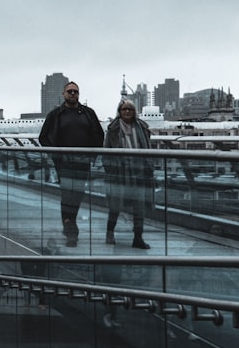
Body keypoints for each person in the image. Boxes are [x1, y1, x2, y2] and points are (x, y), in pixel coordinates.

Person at [38, 81, 105, 247]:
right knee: (68, 194)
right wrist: (55, 155)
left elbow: (99, 134)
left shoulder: (89, 113)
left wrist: (93, 155)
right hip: (64, 163)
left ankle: (69, 222)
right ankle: (71, 230)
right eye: (70, 91)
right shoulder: (55, 114)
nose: (73, 94)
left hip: (83, 162)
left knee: (78, 194)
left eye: (75, 91)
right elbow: (43, 137)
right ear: (63, 94)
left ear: (79, 94)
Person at [104, 100, 155, 249]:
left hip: (139, 170)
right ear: (119, 112)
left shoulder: (142, 127)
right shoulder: (112, 129)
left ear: (134, 112)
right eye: (124, 109)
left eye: (130, 109)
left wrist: (148, 166)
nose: (127, 112)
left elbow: (148, 147)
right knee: (115, 205)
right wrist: (111, 169)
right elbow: (106, 151)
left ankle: (138, 237)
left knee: (139, 206)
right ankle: (110, 233)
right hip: (119, 171)